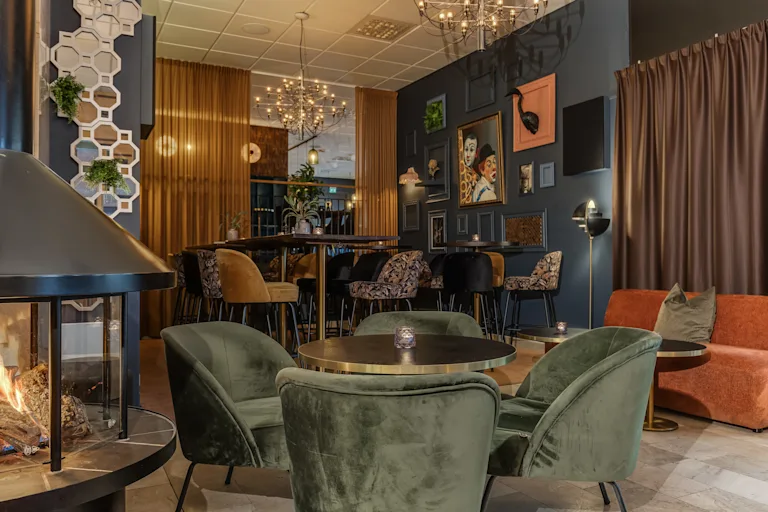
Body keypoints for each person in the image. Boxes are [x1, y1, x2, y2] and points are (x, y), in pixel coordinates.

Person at [460, 133, 478, 204]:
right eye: (466, 149)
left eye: (471, 150)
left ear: (476, 153)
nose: (468, 155)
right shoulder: (460, 174)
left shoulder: (477, 177)